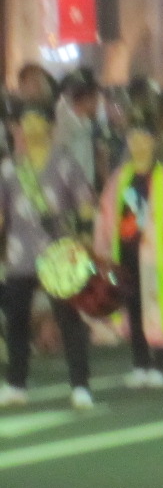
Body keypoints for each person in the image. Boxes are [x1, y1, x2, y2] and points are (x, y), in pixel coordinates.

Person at [0, 104, 97, 410]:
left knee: (68, 319)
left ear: (49, 126)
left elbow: (84, 201)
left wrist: (86, 234)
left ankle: (80, 384)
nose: (29, 127)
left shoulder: (64, 162)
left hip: (59, 251)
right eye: (24, 122)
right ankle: (16, 384)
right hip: (19, 253)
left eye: (35, 120)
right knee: (16, 319)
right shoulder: (10, 168)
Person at [94, 112, 163, 389]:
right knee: (133, 309)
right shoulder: (121, 177)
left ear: (153, 142)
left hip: (156, 256)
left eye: (143, 139)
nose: (137, 144)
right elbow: (107, 213)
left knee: (160, 308)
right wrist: (104, 249)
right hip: (125, 252)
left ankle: (159, 365)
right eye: (133, 139)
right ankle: (140, 363)